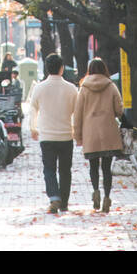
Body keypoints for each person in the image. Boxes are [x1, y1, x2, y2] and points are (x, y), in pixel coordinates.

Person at [27, 52, 79, 214]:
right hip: (65, 135)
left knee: (49, 169)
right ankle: (64, 203)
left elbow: (32, 109)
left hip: (46, 136)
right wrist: (76, 131)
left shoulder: (39, 88)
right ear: (62, 68)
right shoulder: (71, 89)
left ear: (47, 69)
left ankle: (54, 197)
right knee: (65, 170)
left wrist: (33, 128)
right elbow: (76, 113)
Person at [73, 57, 123, 214]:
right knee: (107, 169)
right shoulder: (111, 86)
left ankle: (96, 192)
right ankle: (107, 197)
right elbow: (119, 110)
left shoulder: (84, 88)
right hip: (108, 133)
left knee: (93, 167)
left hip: (91, 134)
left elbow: (78, 114)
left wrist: (78, 136)